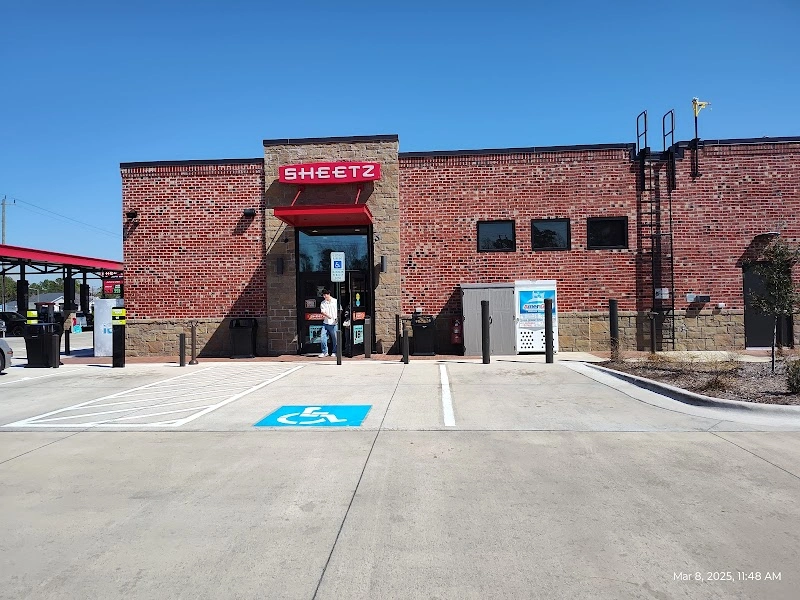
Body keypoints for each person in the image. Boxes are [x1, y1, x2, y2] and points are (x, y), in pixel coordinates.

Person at [319, 288, 338, 357]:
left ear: (328, 294)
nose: (324, 297)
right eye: (323, 295)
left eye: (325, 295)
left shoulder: (335, 301)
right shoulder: (323, 303)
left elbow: (340, 310)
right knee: (322, 337)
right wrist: (328, 316)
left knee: (335, 338)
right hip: (326, 323)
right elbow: (322, 311)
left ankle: (334, 351)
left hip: (334, 323)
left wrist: (337, 318)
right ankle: (324, 352)